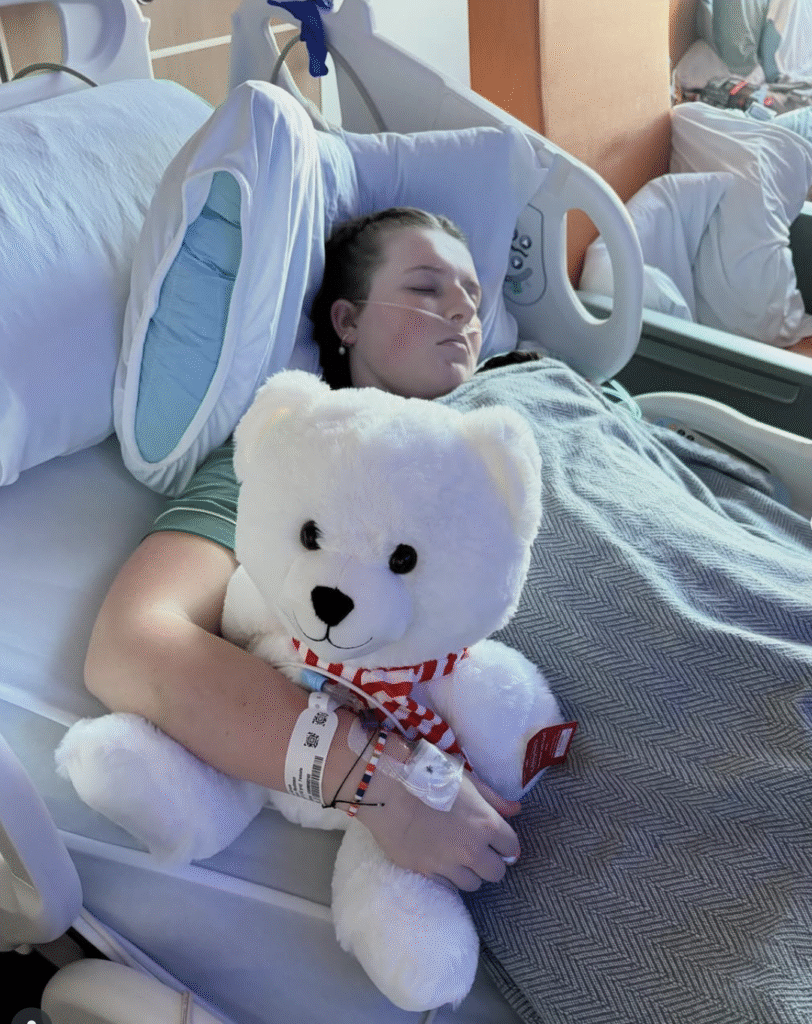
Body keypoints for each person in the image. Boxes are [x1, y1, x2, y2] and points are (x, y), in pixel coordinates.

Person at [84, 206, 525, 893]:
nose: (464, 309)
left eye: (472, 293)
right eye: (425, 286)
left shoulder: (528, 403)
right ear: (348, 321)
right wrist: (387, 782)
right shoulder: (298, 462)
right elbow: (132, 644)